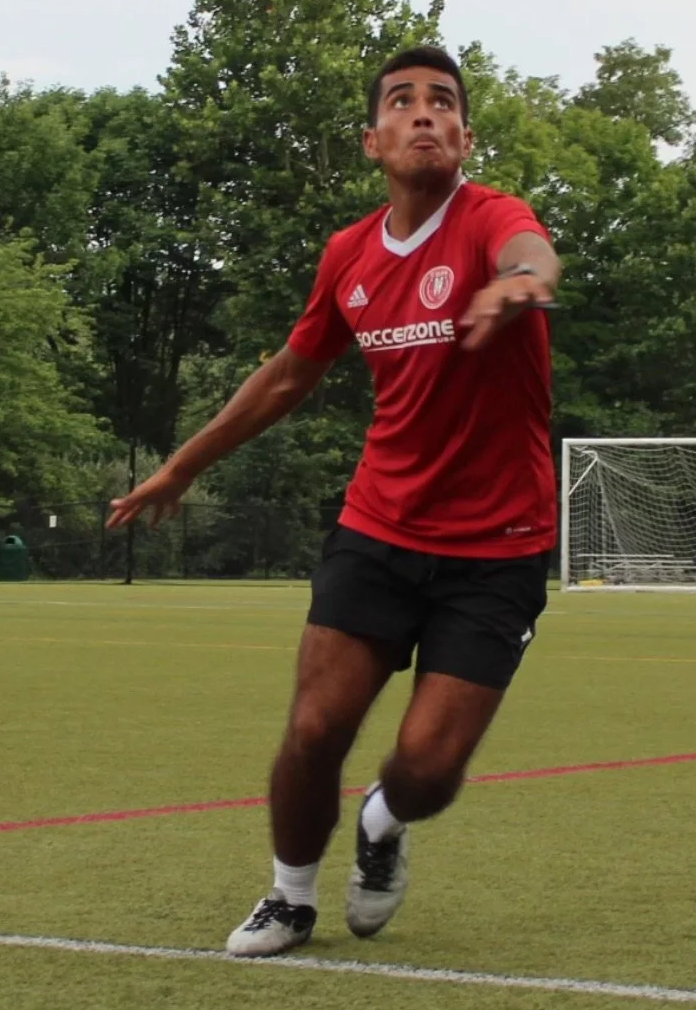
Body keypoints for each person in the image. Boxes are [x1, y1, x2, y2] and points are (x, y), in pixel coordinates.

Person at [107, 46, 560, 957]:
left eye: (443, 102)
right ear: (372, 139)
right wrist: (182, 465)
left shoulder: (490, 220)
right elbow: (286, 378)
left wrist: (521, 283)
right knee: (315, 726)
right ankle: (289, 896)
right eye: (403, 101)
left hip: (498, 544)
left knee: (427, 770)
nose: (425, 112)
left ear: (466, 135)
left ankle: (385, 824)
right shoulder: (349, 256)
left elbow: (530, 250)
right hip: (379, 528)